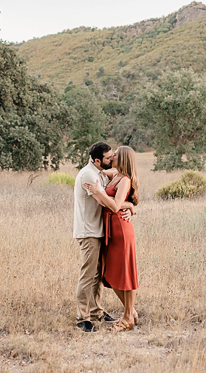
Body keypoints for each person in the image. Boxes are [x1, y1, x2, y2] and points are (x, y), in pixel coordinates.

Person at [72, 141, 133, 332]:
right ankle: (83, 318)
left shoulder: (99, 172)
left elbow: (120, 183)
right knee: (88, 274)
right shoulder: (89, 175)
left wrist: (131, 207)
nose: (111, 159)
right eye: (108, 157)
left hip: (98, 230)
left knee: (97, 274)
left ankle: (96, 311)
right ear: (97, 160)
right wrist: (128, 206)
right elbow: (107, 203)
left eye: (113, 156)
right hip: (88, 231)